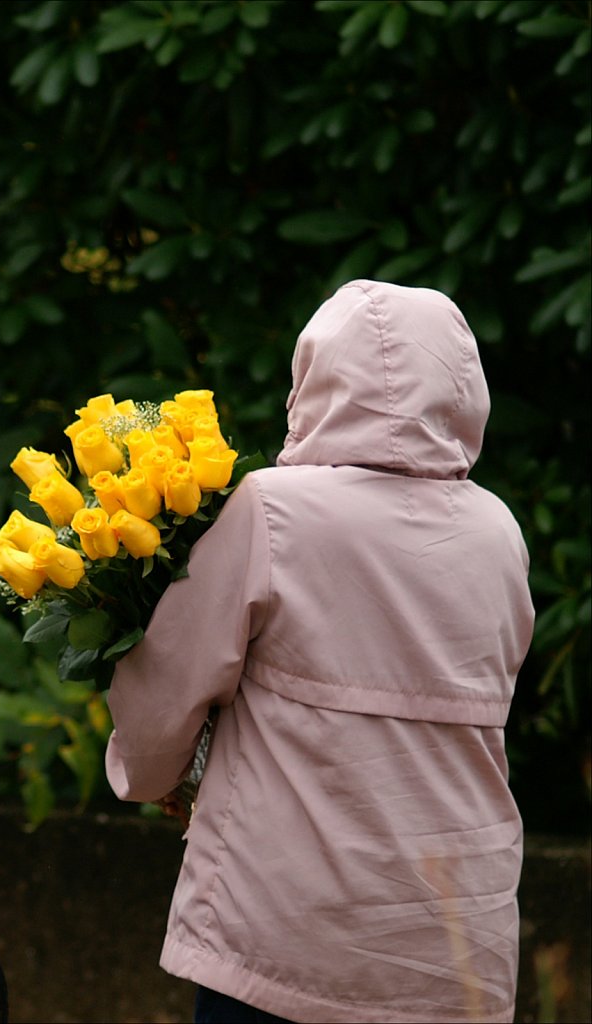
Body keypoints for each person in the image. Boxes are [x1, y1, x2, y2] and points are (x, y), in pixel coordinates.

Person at [104, 280, 535, 1024]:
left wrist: (152, 776)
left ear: (316, 379)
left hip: (286, 932)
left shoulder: (273, 509)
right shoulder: (498, 531)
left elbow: (167, 686)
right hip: (456, 937)